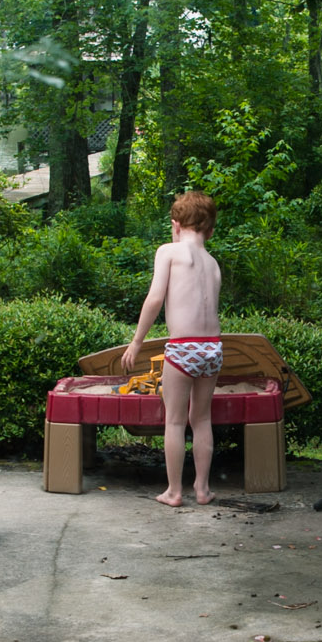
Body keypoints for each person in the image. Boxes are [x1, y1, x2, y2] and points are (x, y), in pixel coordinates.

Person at [123, 191, 225, 507]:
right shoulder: (213, 263)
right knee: (203, 419)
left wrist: (137, 341)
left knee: (175, 421)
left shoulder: (169, 251)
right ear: (210, 230)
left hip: (183, 347)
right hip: (213, 348)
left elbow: (155, 299)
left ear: (175, 224)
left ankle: (174, 491)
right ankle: (204, 489)